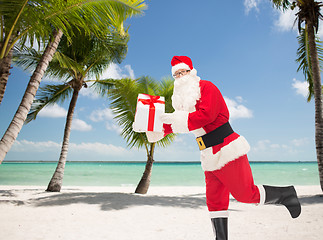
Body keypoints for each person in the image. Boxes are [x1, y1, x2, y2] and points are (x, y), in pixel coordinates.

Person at [145, 56, 301, 240]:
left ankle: (285, 195)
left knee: (245, 194)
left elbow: (206, 115)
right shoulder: (185, 103)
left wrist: (175, 120)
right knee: (215, 200)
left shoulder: (207, 88)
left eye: (182, 72)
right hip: (208, 154)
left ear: (191, 72)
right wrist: (155, 129)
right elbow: (179, 123)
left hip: (227, 148)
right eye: (176, 74)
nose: (179, 77)